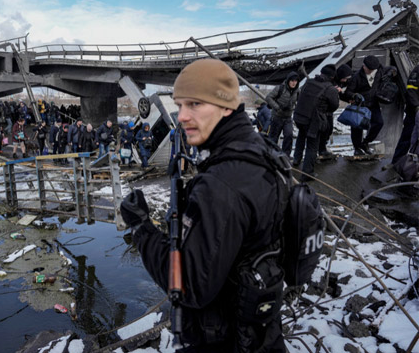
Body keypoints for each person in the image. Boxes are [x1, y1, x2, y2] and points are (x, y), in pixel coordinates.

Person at [120, 59, 286, 352]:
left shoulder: (222, 184)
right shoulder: (264, 152)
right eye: (180, 104)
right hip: (260, 330)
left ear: (225, 106)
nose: (182, 116)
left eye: (195, 104)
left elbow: (189, 287)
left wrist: (142, 227)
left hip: (224, 339)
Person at [293, 64, 339, 181]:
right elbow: (334, 106)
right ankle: (307, 174)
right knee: (312, 147)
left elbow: (301, 96)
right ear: (332, 77)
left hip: (299, 116)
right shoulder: (330, 89)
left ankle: (296, 159)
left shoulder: (309, 82)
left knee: (301, 136)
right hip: (313, 120)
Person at [345, 55, 384, 155]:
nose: (370, 71)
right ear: (364, 66)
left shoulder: (379, 72)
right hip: (360, 105)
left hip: (373, 104)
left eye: (372, 70)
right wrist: (354, 95)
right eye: (368, 69)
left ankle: (366, 142)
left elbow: (390, 69)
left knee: (379, 123)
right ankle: (357, 148)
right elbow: (348, 92)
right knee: (357, 126)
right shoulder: (356, 77)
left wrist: (392, 71)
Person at [265, 71, 300, 157]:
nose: (293, 83)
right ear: (288, 80)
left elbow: (300, 103)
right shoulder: (280, 88)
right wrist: (277, 108)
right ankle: (271, 157)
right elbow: (268, 97)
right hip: (276, 117)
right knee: (273, 138)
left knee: (289, 136)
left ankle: (285, 157)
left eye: (295, 81)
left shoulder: (298, 91)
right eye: (292, 81)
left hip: (288, 118)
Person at [392, 65, 419, 164]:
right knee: (407, 137)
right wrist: (416, 107)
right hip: (414, 112)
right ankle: (396, 162)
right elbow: (411, 90)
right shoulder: (417, 71)